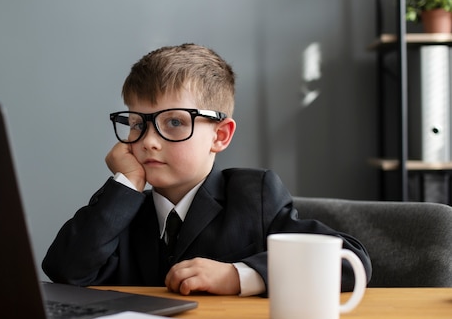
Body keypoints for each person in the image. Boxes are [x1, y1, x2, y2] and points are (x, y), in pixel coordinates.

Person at [42, 43, 372, 297]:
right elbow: (65, 271)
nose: (149, 142)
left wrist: (240, 275)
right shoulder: (121, 207)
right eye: (137, 124)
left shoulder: (252, 195)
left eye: (173, 122)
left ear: (220, 135)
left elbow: (349, 263)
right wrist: (126, 184)